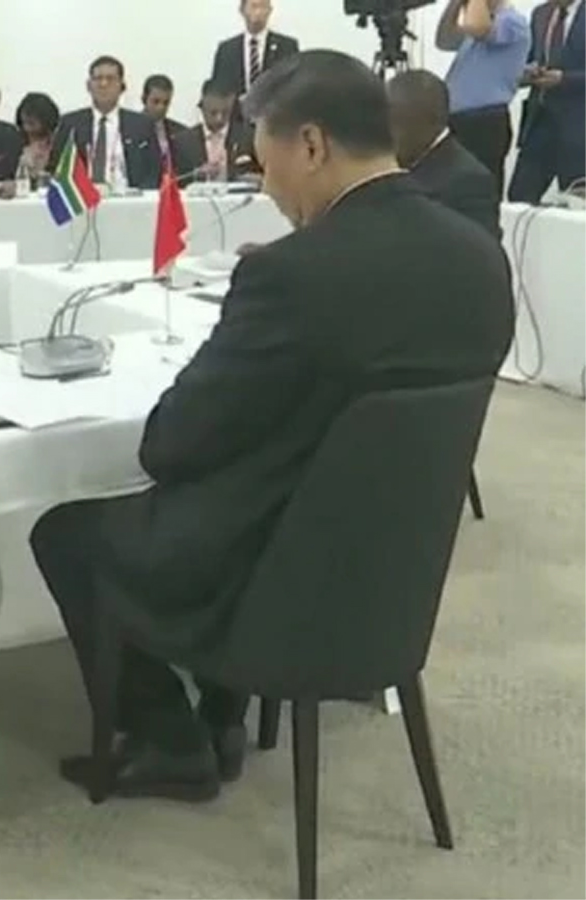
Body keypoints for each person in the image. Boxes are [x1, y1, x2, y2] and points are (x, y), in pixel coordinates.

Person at [32, 50, 513, 802]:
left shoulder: (292, 274)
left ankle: (169, 738)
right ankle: (224, 715)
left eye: (266, 161)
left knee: (67, 531)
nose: (265, 185)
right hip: (398, 564)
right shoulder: (479, 258)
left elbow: (171, 446)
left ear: (312, 145)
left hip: (269, 566)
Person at [389, 70, 501, 239]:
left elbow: (481, 249)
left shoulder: (469, 182)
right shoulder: (393, 163)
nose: (385, 135)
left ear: (432, 121)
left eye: (396, 123)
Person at [436, 0, 532, 191]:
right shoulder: (481, 28)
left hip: (484, 122)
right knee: (454, 189)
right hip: (459, 121)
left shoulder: (512, 21)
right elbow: (444, 40)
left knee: (479, 190)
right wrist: (455, 4)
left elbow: (477, 26)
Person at [508, 0, 585, 203]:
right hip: (539, 123)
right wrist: (527, 72)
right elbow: (530, 57)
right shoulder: (541, 14)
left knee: (578, 203)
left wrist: (565, 79)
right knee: (519, 198)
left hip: (579, 130)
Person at [51, 57, 163, 191]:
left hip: (128, 198)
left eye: (110, 79)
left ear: (122, 86)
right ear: (88, 86)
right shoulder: (70, 123)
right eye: (98, 78)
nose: (104, 84)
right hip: (82, 199)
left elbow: (154, 170)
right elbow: (56, 167)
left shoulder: (141, 124)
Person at [210, 0, 300, 101]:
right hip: (236, 109)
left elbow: (293, 87)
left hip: (273, 109)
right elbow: (217, 89)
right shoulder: (227, 50)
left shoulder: (287, 46)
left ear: (270, 11)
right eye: (254, 6)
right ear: (242, 10)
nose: (258, 12)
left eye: (263, 7)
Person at [176, 80, 258, 181]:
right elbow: (175, 182)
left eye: (225, 112)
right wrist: (194, 175)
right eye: (213, 113)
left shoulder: (248, 136)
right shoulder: (183, 142)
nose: (219, 119)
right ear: (202, 108)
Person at [141, 74, 191, 176]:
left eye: (166, 103)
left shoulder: (181, 132)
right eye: (156, 102)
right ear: (144, 99)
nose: (161, 108)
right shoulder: (129, 128)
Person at [14, 92, 62, 182]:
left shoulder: (59, 143)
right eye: (26, 113)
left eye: (34, 115)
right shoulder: (13, 140)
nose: (28, 117)